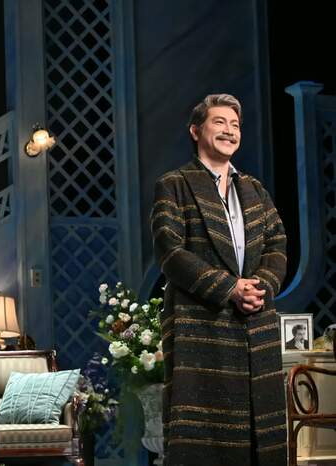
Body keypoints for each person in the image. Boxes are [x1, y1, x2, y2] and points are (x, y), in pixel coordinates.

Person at [151, 94, 287, 465]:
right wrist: (230, 288)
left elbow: (277, 243)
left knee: (262, 440)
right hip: (202, 326)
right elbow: (170, 251)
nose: (229, 131)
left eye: (235, 125)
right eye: (219, 122)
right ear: (196, 131)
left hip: (255, 322)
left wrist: (260, 287)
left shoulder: (255, 189)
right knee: (203, 442)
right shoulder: (174, 184)